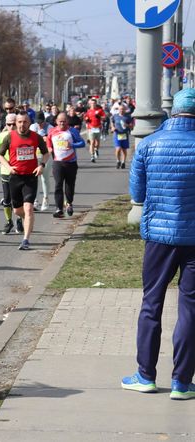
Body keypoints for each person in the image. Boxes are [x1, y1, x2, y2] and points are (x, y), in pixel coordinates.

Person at [123, 88, 195, 400]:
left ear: (173, 112)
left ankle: (145, 375)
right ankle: (181, 382)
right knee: (191, 309)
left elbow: (137, 194)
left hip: (159, 238)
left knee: (152, 303)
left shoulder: (150, 144)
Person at [0, 111, 48, 250]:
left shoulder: (35, 137)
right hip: (15, 177)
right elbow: (0, 155)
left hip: (30, 177)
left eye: (25, 122)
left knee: (29, 208)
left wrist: (41, 165)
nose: (22, 124)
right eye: (19, 122)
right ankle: (27, 220)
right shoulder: (10, 137)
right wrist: (8, 167)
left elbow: (46, 153)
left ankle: (25, 240)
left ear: (29, 123)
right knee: (18, 211)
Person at [46, 112, 85, 218]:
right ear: (56, 122)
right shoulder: (52, 131)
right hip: (58, 162)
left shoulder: (72, 131)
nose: (62, 123)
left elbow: (82, 143)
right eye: (60, 121)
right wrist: (49, 147)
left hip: (71, 163)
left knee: (69, 185)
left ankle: (69, 203)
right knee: (58, 185)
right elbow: (48, 141)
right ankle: (59, 209)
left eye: (64, 121)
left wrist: (72, 145)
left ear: (67, 121)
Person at [0, 113, 20, 235]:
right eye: (9, 124)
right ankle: (9, 221)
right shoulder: (1, 136)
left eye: (13, 124)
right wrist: (6, 164)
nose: (11, 126)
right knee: (7, 199)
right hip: (6, 171)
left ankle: (20, 219)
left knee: (18, 199)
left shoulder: (23, 136)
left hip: (20, 171)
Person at [29, 112, 53, 212]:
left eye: (41, 122)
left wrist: (46, 139)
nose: (39, 124)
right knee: (34, 178)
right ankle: (35, 201)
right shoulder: (32, 127)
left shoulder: (50, 128)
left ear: (44, 120)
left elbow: (52, 141)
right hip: (35, 155)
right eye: (38, 122)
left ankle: (45, 199)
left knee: (44, 179)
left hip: (46, 155)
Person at [112, 104, 134, 169]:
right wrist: (113, 127)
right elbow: (112, 122)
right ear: (118, 110)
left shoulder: (127, 117)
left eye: (123, 109)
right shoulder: (115, 116)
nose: (121, 110)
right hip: (117, 134)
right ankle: (118, 161)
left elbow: (131, 126)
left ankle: (123, 162)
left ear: (125, 110)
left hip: (124, 134)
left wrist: (127, 125)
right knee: (118, 149)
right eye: (120, 109)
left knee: (124, 149)